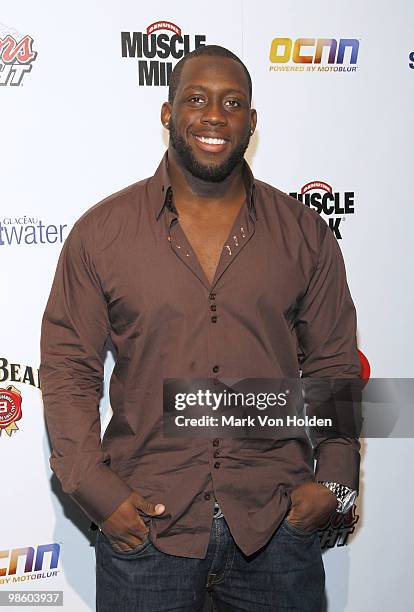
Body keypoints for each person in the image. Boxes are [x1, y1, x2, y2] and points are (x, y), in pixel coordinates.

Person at [40, 45, 360, 612]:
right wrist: (95, 488)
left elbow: (333, 366)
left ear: (252, 122)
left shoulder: (305, 235)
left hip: (277, 530)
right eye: (196, 99)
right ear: (168, 114)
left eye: (232, 102)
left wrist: (334, 481)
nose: (215, 115)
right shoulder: (103, 234)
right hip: (146, 533)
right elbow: (69, 370)